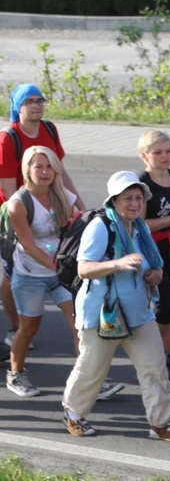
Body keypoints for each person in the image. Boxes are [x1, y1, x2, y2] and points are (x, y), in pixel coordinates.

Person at [61, 171, 170, 441]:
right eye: (128, 198)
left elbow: (152, 265)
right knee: (93, 367)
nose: (135, 203)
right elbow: (84, 268)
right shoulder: (101, 226)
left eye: (139, 198)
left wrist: (156, 275)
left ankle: (159, 424)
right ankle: (74, 412)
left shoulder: (141, 228)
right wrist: (117, 263)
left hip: (138, 311)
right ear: (114, 200)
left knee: (155, 366)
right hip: (103, 313)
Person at [0, 84, 85, 353]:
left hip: (46, 202)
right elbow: (8, 184)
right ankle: (15, 327)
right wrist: (25, 212)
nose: (36, 105)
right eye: (29, 101)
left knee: (53, 254)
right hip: (14, 209)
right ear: (18, 107)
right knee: (10, 272)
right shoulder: (8, 137)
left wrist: (79, 207)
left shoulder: (49, 129)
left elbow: (60, 172)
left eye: (40, 100)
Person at [6, 146, 77, 397]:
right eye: (38, 166)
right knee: (29, 329)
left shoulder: (62, 195)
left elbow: (80, 222)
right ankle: (16, 374)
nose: (45, 172)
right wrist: (60, 267)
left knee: (80, 325)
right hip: (30, 274)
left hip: (61, 274)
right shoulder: (19, 204)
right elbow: (28, 245)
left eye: (49, 166)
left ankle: (89, 378)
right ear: (27, 170)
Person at [137, 130, 170, 372]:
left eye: (168, 151)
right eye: (157, 152)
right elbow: (140, 223)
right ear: (144, 155)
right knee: (166, 308)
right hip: (155, 250)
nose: (164, 156)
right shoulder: (142, 184)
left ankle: (164, 356)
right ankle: (151, 357)